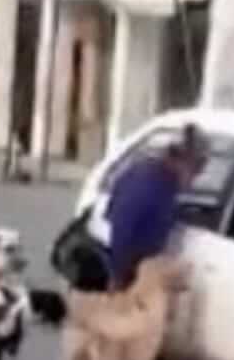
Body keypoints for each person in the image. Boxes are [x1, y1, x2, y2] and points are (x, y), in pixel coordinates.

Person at [87, 123, 209, 291]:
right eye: (196, 170)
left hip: (139, 270)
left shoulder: (168, 185)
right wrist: (118, 278)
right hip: (124, 270)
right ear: (180, 160)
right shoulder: (147, 182)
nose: (195, 178)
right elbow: (123, 228)